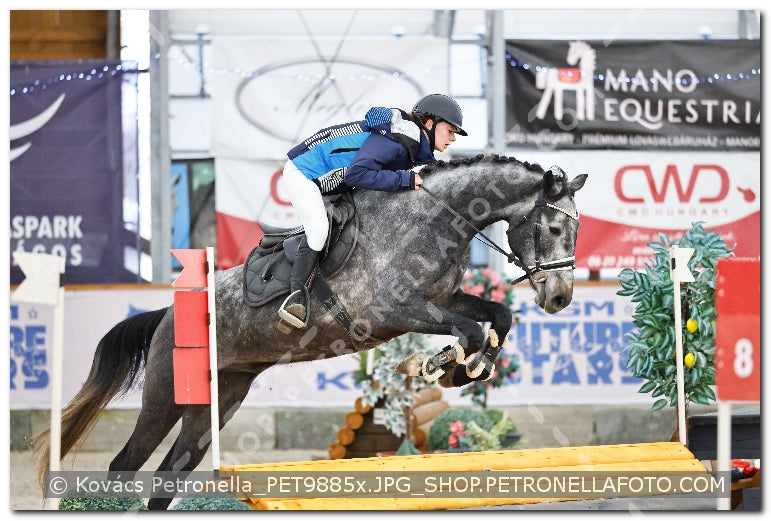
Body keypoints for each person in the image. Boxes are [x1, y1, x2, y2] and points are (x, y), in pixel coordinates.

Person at [277, 93, 468, 330]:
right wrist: (404, 179)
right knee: (318, 230)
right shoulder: (400, 139)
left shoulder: (408, 141)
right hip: (304, 173)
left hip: (335, 180)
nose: (453, 139)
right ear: (429, 123)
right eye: (450, 130)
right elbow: (357, 174)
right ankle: (296, 296)